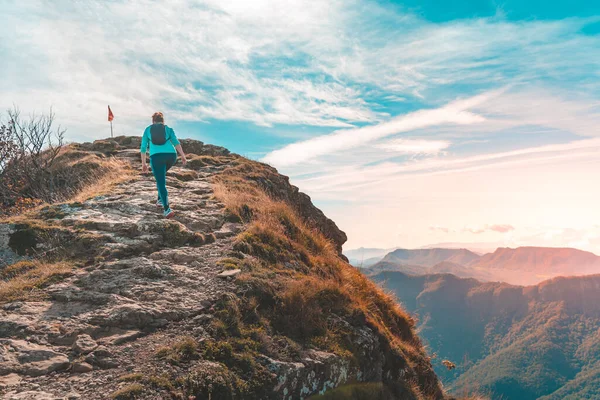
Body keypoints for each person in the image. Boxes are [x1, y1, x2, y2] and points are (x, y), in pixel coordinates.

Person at [140, 112, 187, 218]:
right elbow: (176, 143)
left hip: (156, 157)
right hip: (171, 156)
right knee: (160, 177)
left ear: (153, 121)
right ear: (163, 120)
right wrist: (183, 156)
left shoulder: (148, 129)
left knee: (160, 181)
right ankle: (160, 200)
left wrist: (144, 163)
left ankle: (167, 209)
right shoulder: (168, 129)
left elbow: (143, 147)